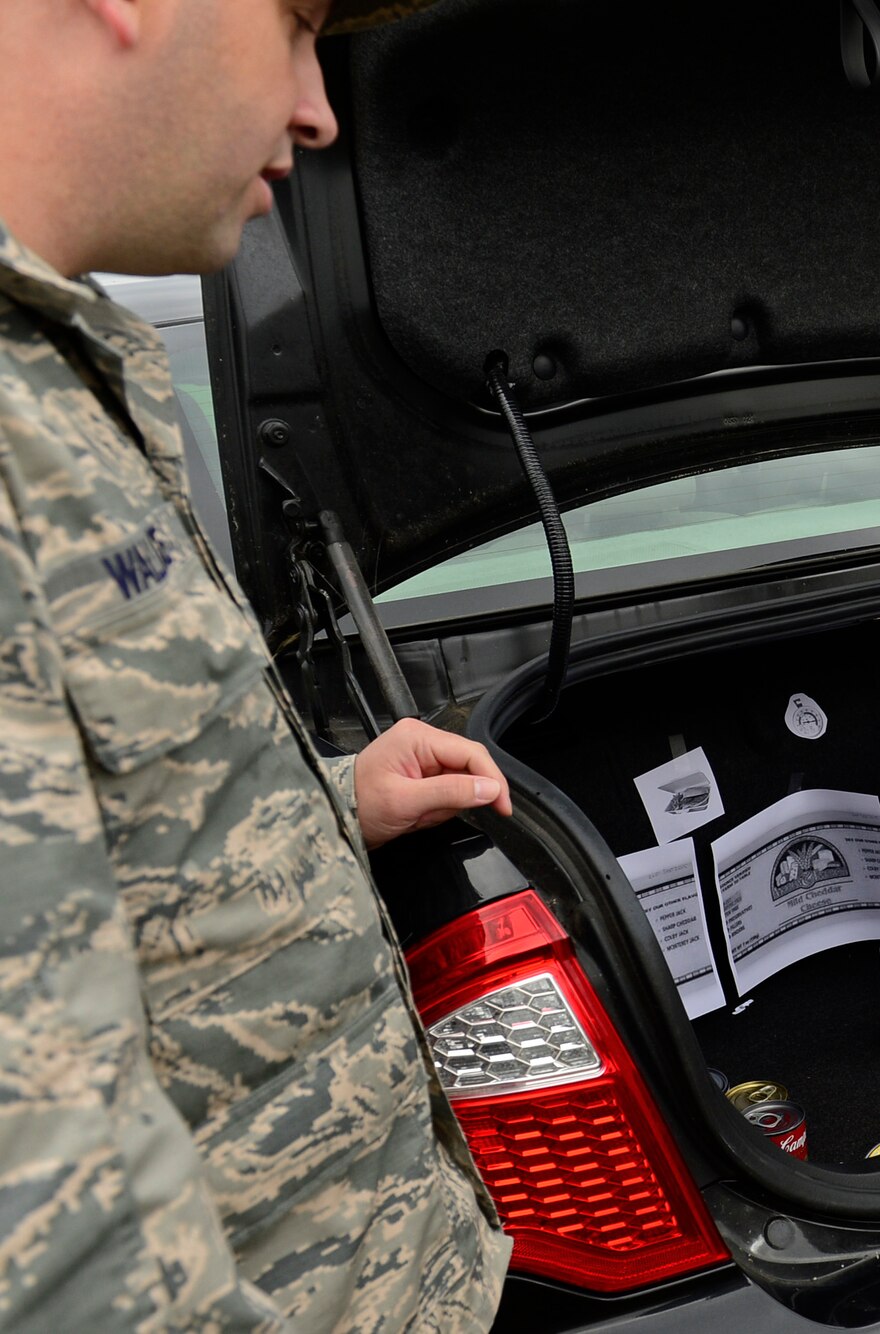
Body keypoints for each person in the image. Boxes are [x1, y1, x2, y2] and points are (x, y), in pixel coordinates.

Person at [0, 0, 513, 1329]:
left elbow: (78, 862)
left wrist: (322, 805)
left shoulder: (65, 364)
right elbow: (50, 1241)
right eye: (294, 24)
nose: (320, 106)